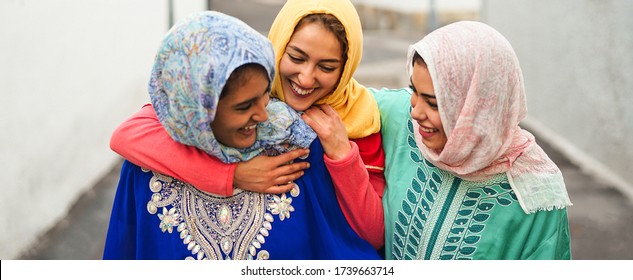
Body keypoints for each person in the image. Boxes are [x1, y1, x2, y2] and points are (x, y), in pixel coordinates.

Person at [103, 11, 381, 260]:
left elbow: (356, 241)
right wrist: (230, 174)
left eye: (327, 67)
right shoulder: (146, 161)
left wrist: (342, 154)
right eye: (296, 57)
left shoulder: (307, 144)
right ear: (198, 107)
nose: (264, 115)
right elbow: (126, 135)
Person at [365, 21, 572, 259]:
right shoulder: (399, 119)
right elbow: (336, 97)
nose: (416, 113)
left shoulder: (536, 194)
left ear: (479, 105)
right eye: (414, 91)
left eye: (434, 103)